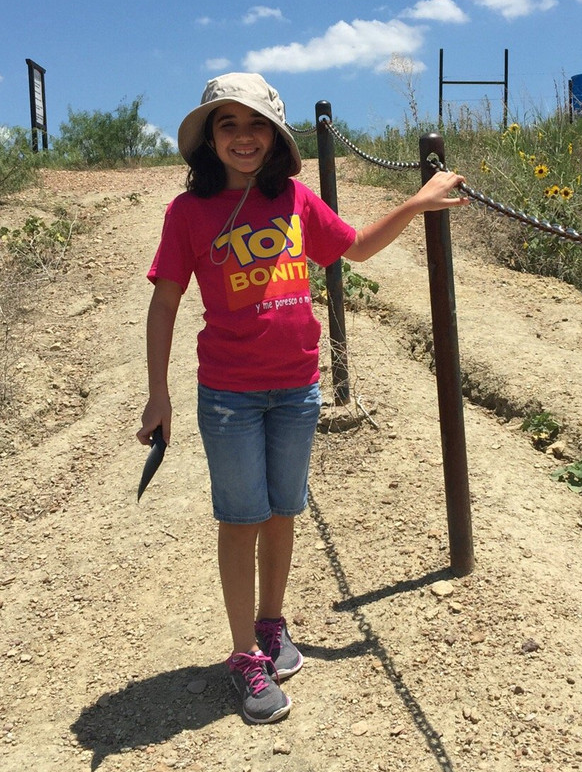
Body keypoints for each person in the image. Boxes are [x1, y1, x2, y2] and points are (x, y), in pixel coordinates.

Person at [137, 72, 467, 724]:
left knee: (284, 511)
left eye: (256, 125)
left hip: (296, 389)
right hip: (229, 395)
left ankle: (270, 624)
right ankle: (244, 656)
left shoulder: (293, 198)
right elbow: (165, 302)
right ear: (209, 139)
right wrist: (157, 394)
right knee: (241, 520)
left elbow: (356, 248)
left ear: (275, 136)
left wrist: (417, 203)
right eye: (228, 125)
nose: (243, 138)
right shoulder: (188, 213)